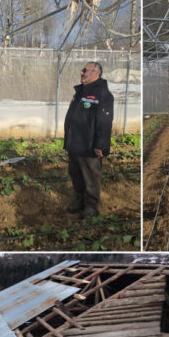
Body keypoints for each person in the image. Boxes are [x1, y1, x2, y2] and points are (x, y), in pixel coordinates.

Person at [63, 61, 114, 219]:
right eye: (82, 70)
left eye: (85, 70)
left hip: (89, 145)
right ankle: (80, 200)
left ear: (95, 73)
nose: (81, 72)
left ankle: (91, 206)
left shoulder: (102, 94)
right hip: (75, 142)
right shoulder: (80, 91)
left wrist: (100, 144)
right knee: (75, 173)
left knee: (91, 176)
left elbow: (105, 121)